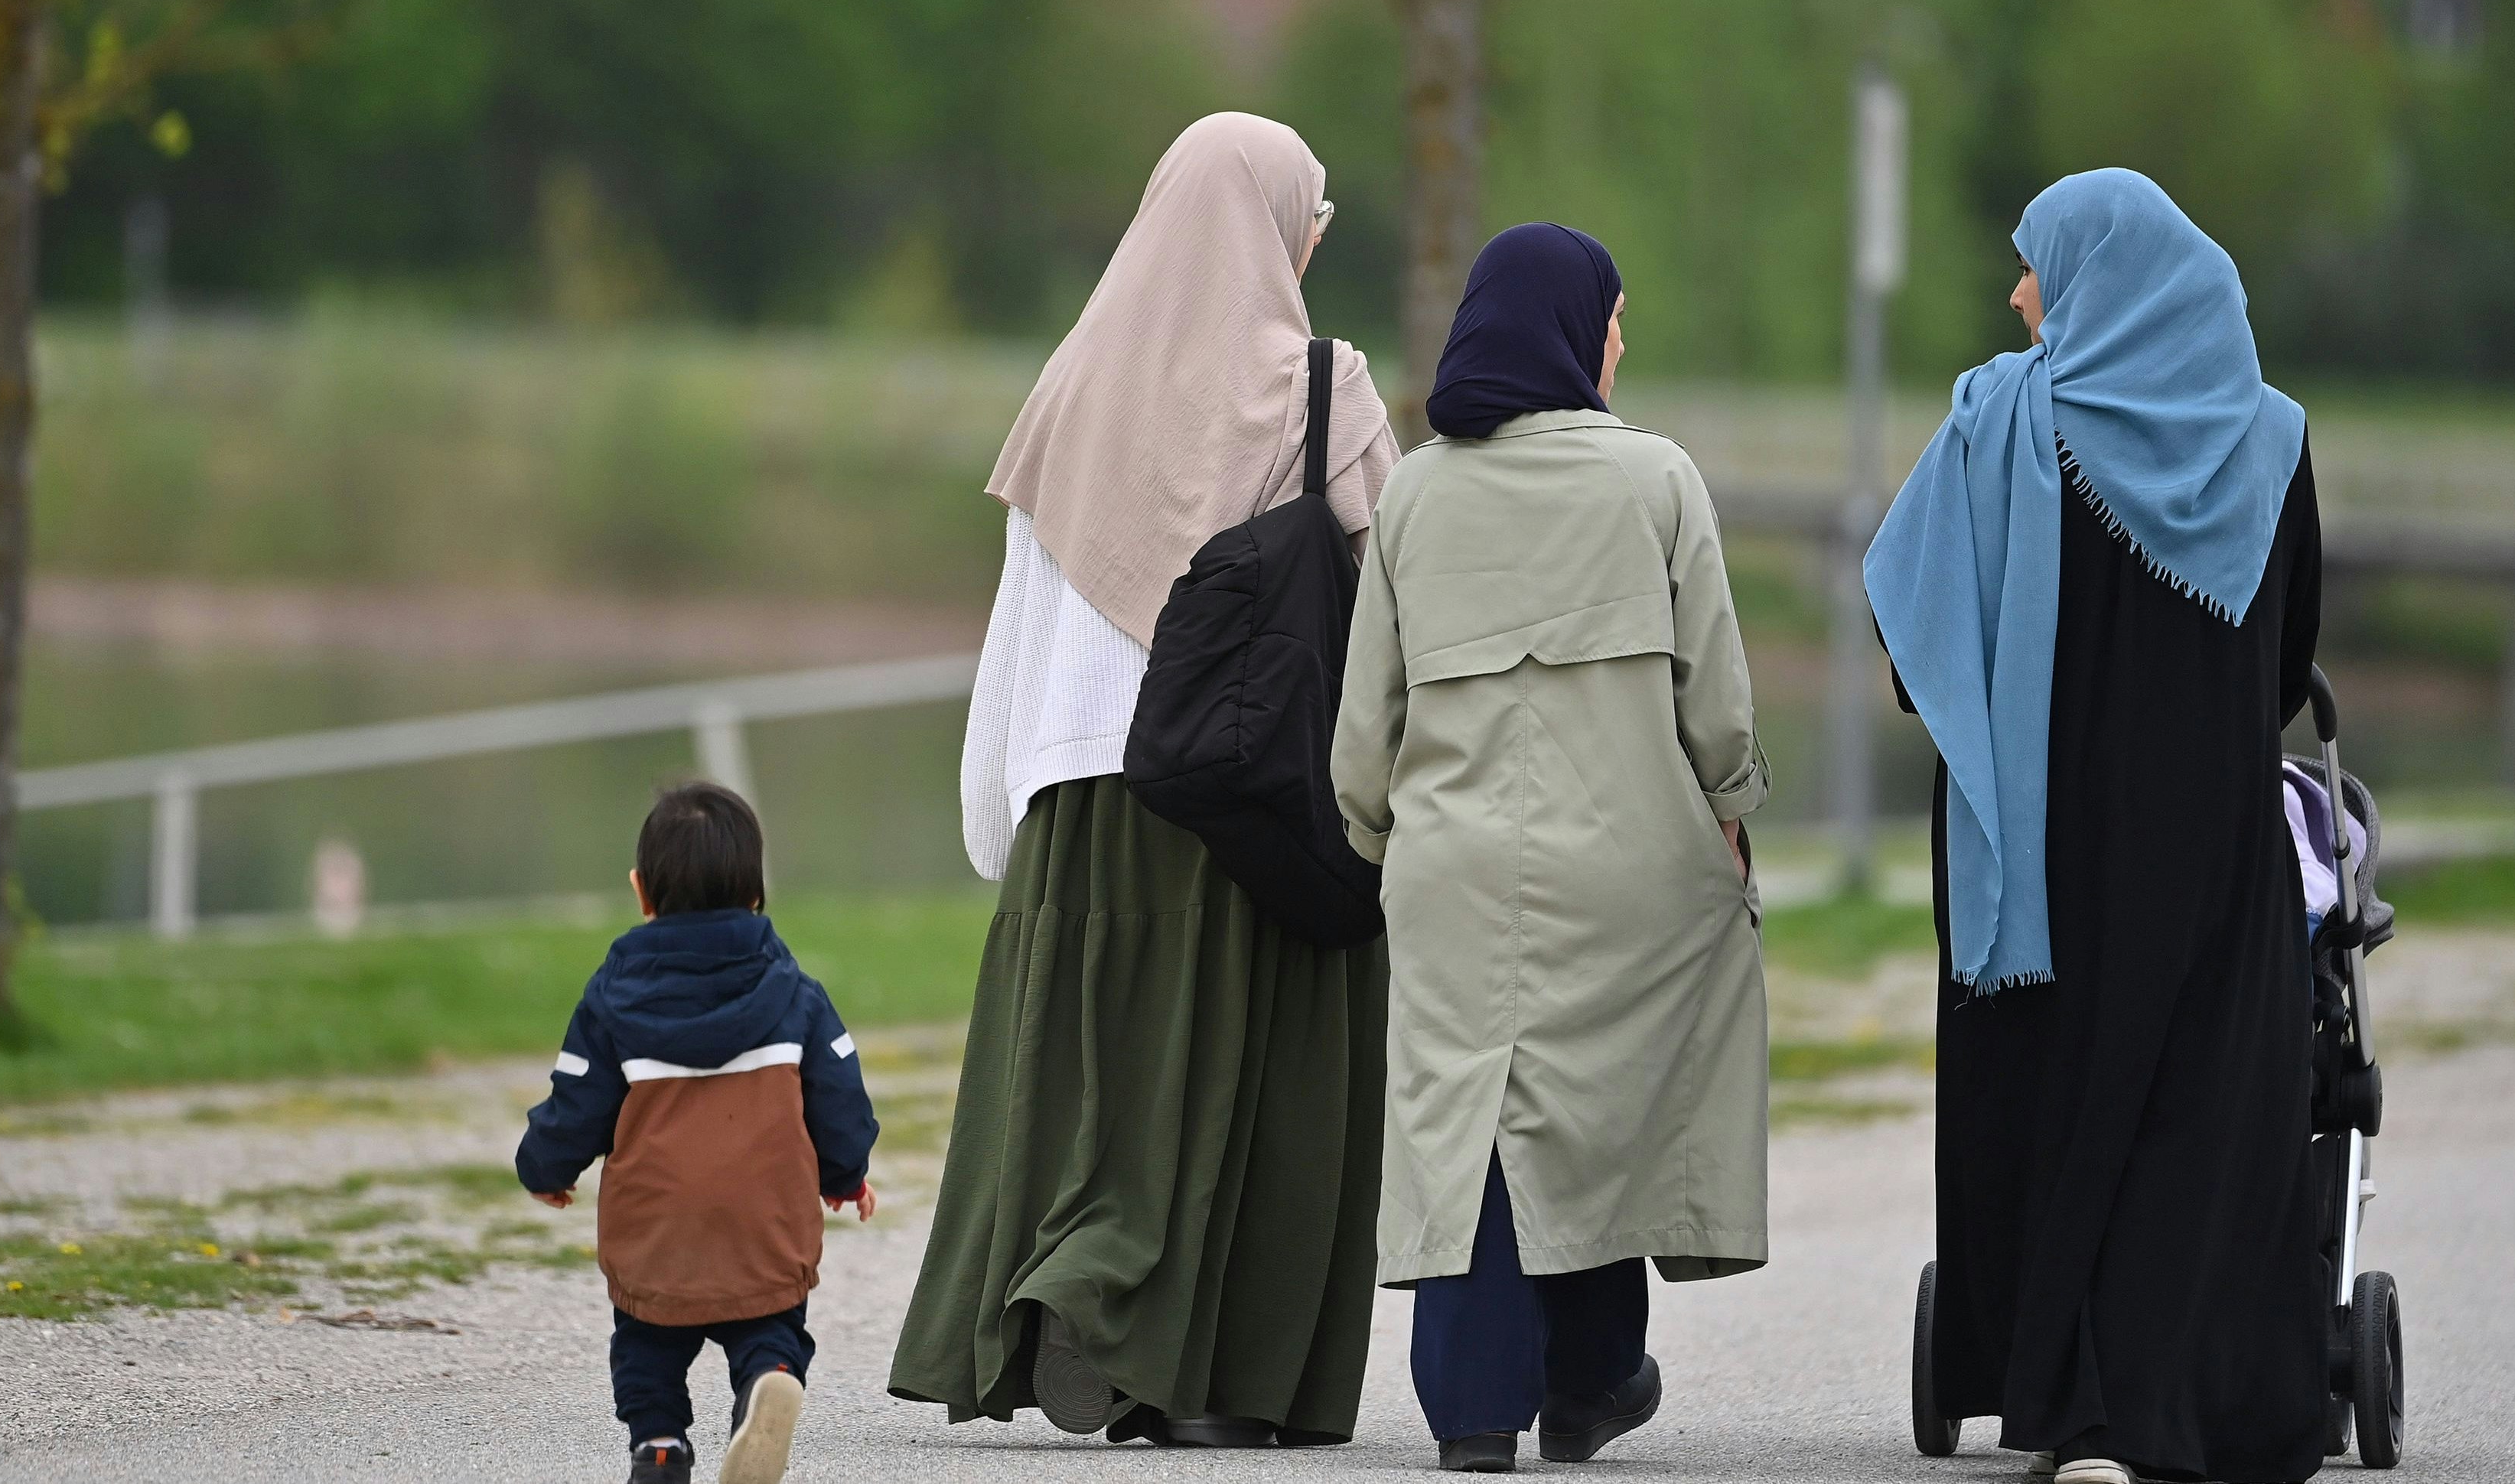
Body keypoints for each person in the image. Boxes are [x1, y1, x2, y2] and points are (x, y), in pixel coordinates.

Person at [887, 112, 1400, 1448]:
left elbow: (1021, 620)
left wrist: (999, 805)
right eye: (1314, 214)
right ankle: (1204, 1360)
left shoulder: (1073, 383)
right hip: (1244, 800)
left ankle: (1057, 1300)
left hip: (1076, 798)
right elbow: (1398, 596)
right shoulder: (1320, 392)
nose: (1317, 238)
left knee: (1086, 1075)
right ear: (1276, 225)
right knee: (1243, 1080)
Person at [1867, 168, 2324, 1484]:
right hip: (2215, 860)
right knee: (2196, 1112)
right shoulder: (2278, 440)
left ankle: (2061, 1399)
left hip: (2042, 853)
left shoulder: (1999, 426)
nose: (2019, 294)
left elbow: (1913, 655)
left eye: (2038, 267)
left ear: (2093, 283)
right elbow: (2289, 662)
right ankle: (2177, 1404)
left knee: (2058, 1098)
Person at [1332, 222, 1772, 1474]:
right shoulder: (1659, 483)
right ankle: (1588, 1385)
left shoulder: (1414, 490)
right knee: (1604, 1109)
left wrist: (1373, 832)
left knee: (1465, 1110)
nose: (1623, 341)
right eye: (1617, 317)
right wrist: (1733, 814)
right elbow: (1720, 708)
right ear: (1577, 331)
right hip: (1629, 865)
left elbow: (1368, 722)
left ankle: (1473, 1408)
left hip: (1455, 873)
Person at [516, 782, 881, 1484]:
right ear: (756, 895)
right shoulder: (796, 995)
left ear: (641, 892)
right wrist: (845, 1175)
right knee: (770, 1324)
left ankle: (658, 1444)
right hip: (763, 1225)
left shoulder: (611, 999)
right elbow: (840, 1098)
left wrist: (546, 1168)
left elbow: (576, 1100)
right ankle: (766, 1381)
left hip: (657, 1231)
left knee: (646, 1344)